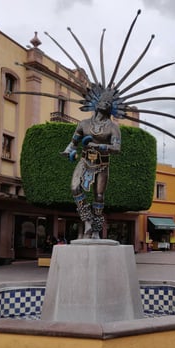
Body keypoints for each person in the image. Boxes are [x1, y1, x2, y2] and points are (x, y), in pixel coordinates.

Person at [62, 91, 122, 239]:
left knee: (99, 196)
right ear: (96, 102)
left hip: (102, 163)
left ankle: (95, 230)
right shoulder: (83, 124)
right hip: (85, 160)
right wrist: (68, 151)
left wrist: (101, 146)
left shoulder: (113, 127)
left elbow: (116, 148)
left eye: (109, 103)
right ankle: (87, 220)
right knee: (74, 187)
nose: (106, 104)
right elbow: (74, 142)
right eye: (103, 101)